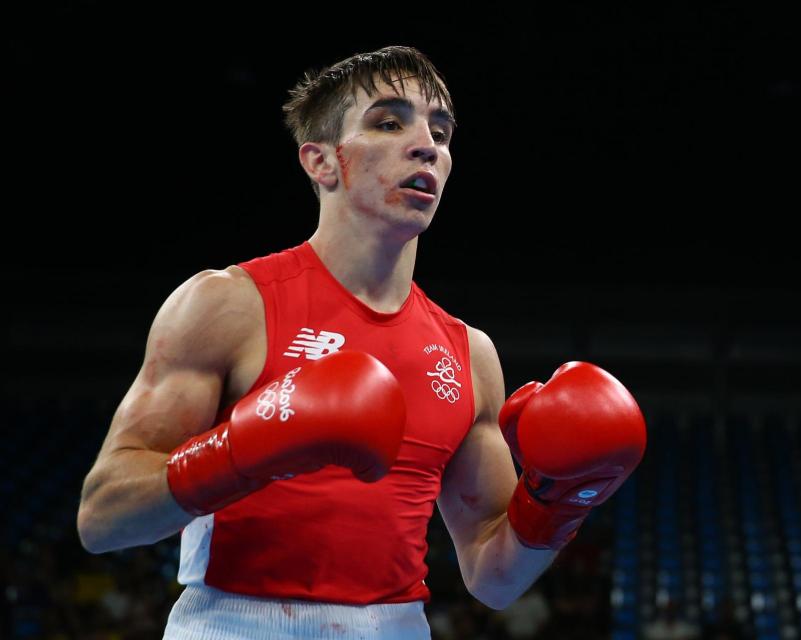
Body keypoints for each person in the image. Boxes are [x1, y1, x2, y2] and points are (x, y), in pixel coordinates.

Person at [76, 46, 647, 639]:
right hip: (234, 620)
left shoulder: (467, 354)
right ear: (322, 161)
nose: (427, 144)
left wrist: (557, 502)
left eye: (442, 130)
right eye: (388, 122)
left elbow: (492, 576)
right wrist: (243, 447)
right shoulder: (230, 305)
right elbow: (102, 518)